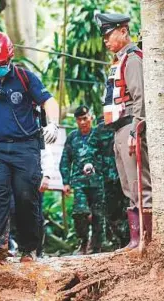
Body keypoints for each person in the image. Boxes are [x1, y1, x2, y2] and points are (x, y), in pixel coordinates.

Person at [0, 32, 60, 262]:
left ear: (11, 57)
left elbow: (48, 101)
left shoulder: (26, 78)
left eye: (1, 63)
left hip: (25, 147)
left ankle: (29, 248)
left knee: (26, 196)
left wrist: (53, 124)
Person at [95, 13, 152, 250]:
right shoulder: (119, 61)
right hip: (119, 128)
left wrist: (135, 130)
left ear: (123, 31)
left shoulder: (132, 59)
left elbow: (140, 97)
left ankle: (148, 240)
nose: (105, 41)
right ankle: (135, 239)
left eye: (108, 35)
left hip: (130, 125)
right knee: (129, 186)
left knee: (140, 182)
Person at [60, 106, 106, 254]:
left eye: (85, 118)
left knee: (99, 214)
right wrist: (66, 182)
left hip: (98, 181)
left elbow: (108, 156)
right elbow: (65, 160)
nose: (83, 122)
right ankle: (83, 242)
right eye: (79, 119)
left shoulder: (98, 134)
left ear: (90, 117)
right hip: (79, 182)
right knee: (79, 212)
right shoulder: (73, 137)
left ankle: (96, 246)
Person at [95, 117, 129, 249]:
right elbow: (90, 150)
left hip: (126, 176)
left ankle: (130, 239)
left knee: (129, 206)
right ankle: (119, 240)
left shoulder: (126, 123)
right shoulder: (99, 129)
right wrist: (95, 165)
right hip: (108, 178)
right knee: (111, 211)